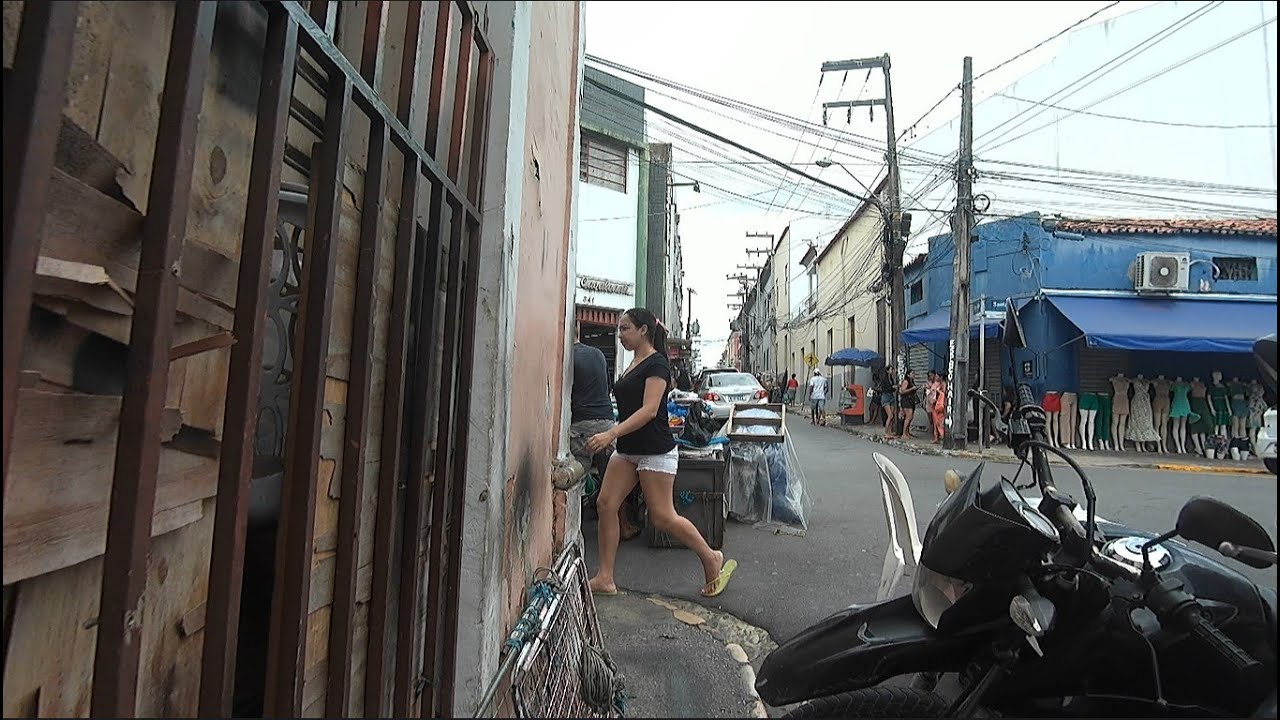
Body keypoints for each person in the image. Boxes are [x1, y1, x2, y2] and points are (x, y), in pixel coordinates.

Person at [586, 308, 737, 598]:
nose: (620, 335)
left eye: (625, 328)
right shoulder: (632, 364)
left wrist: (611, 433)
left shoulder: (657, 364)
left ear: (643, 330)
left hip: (654, 450)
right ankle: (605, 577)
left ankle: (710, 556)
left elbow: (649, 411)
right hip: (629, 450)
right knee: (606, 504)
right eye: (618, 329)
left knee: (662, 517)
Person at [569, 323, 638, 540]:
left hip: (581, 425)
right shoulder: (597, 354)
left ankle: (570, 530)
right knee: (615, 479)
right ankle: (624, 526)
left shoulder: (566, 356)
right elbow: (607, 388)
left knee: (573, 476)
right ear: (579, 330)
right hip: (607, 424)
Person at [898, 369, 919, 439]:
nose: (914, 374)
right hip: (906, 400)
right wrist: (911, 389)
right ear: (908, 374)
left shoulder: (911, 381)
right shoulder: (906, 381)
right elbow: (902, 391)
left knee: (911, 417)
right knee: (908, 416)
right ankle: (903, 433)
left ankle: (907, 432)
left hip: (911, 400)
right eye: (912, 373)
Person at [880, 368, 899, 438]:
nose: (893, 371)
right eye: (891, 370)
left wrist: (895, 387)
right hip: (886, 397)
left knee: (892, 416)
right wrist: (893, 387)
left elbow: (892, 388)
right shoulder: (884, 379)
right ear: (887, 371)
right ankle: (886, 432)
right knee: (890, 415)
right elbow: (886, 388)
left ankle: (890, 432)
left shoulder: (891, 379)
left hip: (891, 396)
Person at [930, 370, 948, 443]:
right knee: (935, 422)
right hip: (935, 404)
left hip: (941, 404)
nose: (936, 377)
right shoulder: (936, 384)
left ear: (941, 377)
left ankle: (942, 436)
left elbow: (944, 393)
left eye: (937, 376)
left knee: (940, 422)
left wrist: (937, 391)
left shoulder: (943, 384)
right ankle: (936, 437)